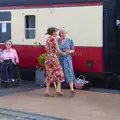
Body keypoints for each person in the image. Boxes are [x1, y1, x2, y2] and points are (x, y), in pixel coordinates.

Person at [44, 27, 67, 97]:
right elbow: (57, 49)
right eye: (55, 32)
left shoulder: (47, 38)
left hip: (48, 58)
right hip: (54, 58)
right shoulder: (54, 39)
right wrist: (64, 53)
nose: (57, 33)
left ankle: (47, 90)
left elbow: (46, 48)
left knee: (49, 73)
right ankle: (58, 89)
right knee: (59, 72)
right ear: (53, 32)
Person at [58, 27, 76, 95]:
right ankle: (59, 89)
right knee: (60, 73)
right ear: (60, 33)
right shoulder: (58, 40)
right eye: (62, 32)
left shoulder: (70, 40)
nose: (63, 34)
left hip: (67, 59)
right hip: (60, 59)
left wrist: (68, 52)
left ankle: (72, 89)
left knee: (69, 71)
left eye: (64, 32)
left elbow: (73, 50)